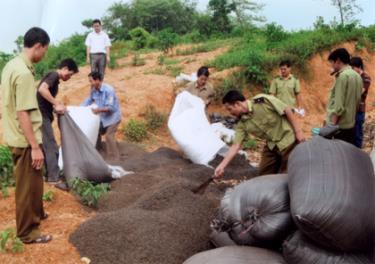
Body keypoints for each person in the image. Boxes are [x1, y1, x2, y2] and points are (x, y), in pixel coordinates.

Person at [1, 27, 52, 244]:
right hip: (24, 140)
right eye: (45, 50)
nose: (45, 55)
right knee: (25, 187)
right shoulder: (23, 73)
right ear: (38, 46)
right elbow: (23, 112)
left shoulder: (12, 64)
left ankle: (37, 214)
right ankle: (26, 232)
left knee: (34, 182)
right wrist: (35, 147)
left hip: (15, 135)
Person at [214, 90, 305, 179]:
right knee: (263, 174)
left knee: (288, 174)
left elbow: (286, 109)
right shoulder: (242, 123)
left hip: (288, 140)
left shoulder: (263, 101)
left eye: (230, 109)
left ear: (237, 104)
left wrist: (298, 132)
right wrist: (222, 166)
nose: (230, 113)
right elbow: (235, 145)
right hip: (272, 145)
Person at [37, 58, 78, 187]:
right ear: (65, 68)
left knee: (45, 145)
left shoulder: (55, 79)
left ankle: (47, 175)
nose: (69, 77)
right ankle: (53, 179)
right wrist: (56, 103)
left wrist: (54, 107)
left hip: (44, 114)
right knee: (51, 146)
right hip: (42, 115)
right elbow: (42, 90)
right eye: (70, 74)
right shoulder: (53, 75)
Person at [322, 48, 362, 145]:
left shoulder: (342, 76)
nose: (332, 65)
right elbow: (357, 102)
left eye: (332, 62)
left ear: (338, 61)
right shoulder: (357, 76)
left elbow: (339, 106)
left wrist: (331, 127)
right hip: (350, 125)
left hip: (340, 127)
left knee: (337, 156)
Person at [82, 71, 122, 160]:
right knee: (96, 131)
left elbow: (111, 108)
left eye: (91, 81)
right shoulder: (93, 89)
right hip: (103, 118)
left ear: (98, 80)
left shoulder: (109, 90)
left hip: (113, 118)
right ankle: (98, 152)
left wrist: (98, 110)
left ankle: (114, 158)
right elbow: (89, 100)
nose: (90, 83)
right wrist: (79, 108)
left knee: (109, 135)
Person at [350, 56, 371, 148]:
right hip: (350, 110)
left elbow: (360, 91)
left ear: (358, 67)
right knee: (350, 134)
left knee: (357, 134)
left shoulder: (366, 78)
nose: (351, 70)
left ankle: (358, 154)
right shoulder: (352, 76)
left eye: (353, 67)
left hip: (359, 110)